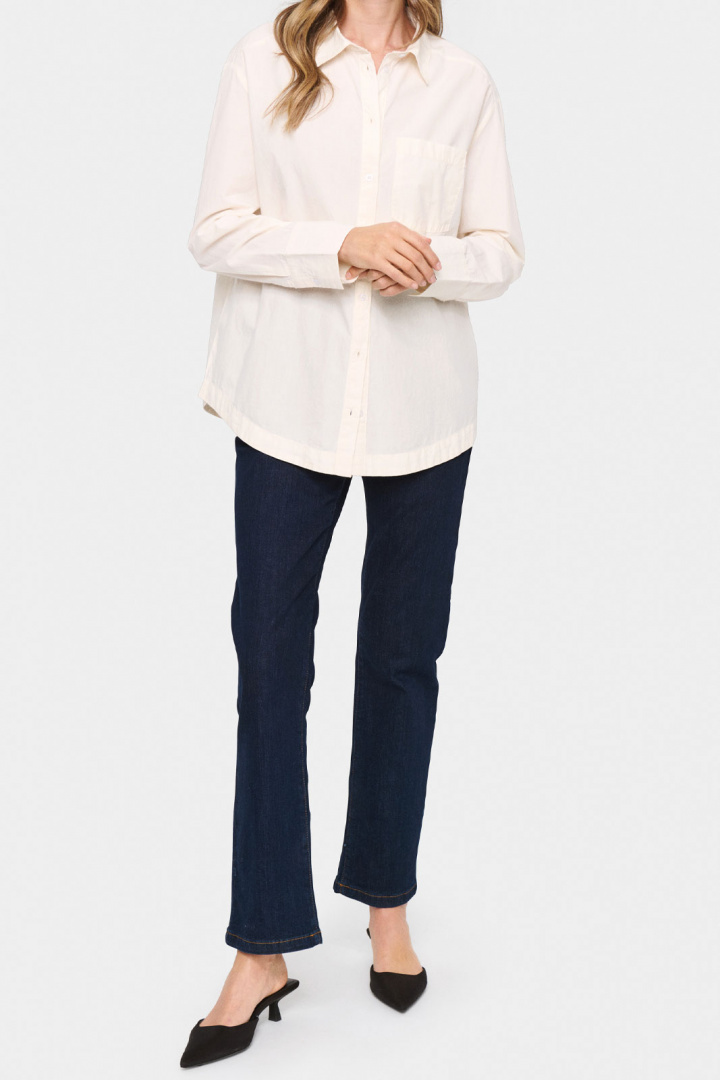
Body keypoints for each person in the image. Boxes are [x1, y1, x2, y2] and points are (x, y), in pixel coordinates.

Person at [180, 0, 524, 1066]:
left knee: (404, 663)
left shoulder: (461, 82)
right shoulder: (262, 62)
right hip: (286, 401)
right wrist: (342, 245)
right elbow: (215, 230)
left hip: (425, 411)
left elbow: (500, 252)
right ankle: (263, 945)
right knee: (270, 664)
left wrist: (429, 263)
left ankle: (386, 904)